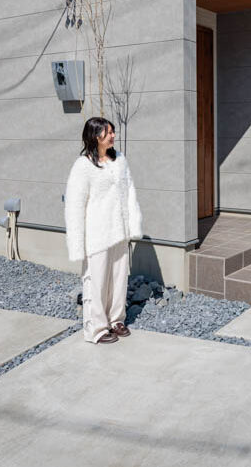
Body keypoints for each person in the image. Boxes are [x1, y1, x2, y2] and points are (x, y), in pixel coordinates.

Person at [64, 117, 143, 344]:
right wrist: (77, 244)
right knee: (96, 282)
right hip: (97, 233)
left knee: (119, 279)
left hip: (119, 230)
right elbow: (74, 206)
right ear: (96, 136)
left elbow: (130, 192)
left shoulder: (120, 160)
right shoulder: (83, 166)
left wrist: (133, 225)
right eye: (108, 132)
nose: (113, 136)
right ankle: (96, 329)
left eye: (113, 132)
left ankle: (116, 319)